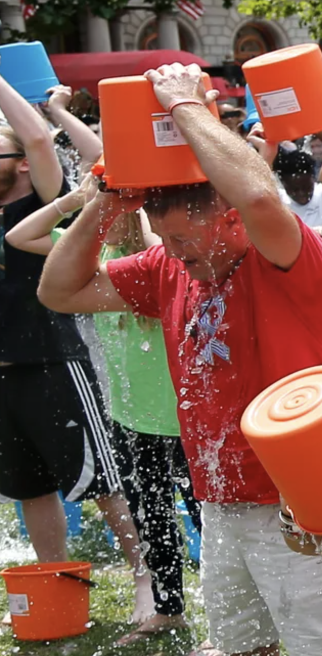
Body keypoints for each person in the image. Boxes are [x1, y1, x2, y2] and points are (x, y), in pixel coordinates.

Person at [39, 62, 322, 656]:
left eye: (187, 238)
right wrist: (107, 205)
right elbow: (59, 289)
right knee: (241, 638)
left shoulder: (287, 256)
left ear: (228, 215)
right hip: (222, 495)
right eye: (167, 240)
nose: (178, 255)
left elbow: (258, 189)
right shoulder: (167, 268)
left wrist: (183, 106)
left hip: (301, 495)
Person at [7, 174, 200, 644]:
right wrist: (80, 201)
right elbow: (18, 237)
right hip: (133, 419)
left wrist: (128, 198)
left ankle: (231, 619)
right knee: (153, 517)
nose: (89, 225)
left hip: (185, 418)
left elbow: (157, 246)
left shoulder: (153, 261)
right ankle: (169, 609)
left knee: (205, 518)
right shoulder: (99, 262)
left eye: (103, 215)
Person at [0, 64, 158, 627]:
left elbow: (41, 137)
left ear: (20, 162)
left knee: (101, 481)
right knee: (29, 485)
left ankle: (146, 575)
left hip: (53, 360)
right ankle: (54, 584)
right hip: (6, 371)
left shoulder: (42, 193)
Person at [273, 145, 322, 228]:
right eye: (294, 190)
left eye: (306, 187)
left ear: (313, 178)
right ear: (283, 183)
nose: (301, 193)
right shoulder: (278, 202)